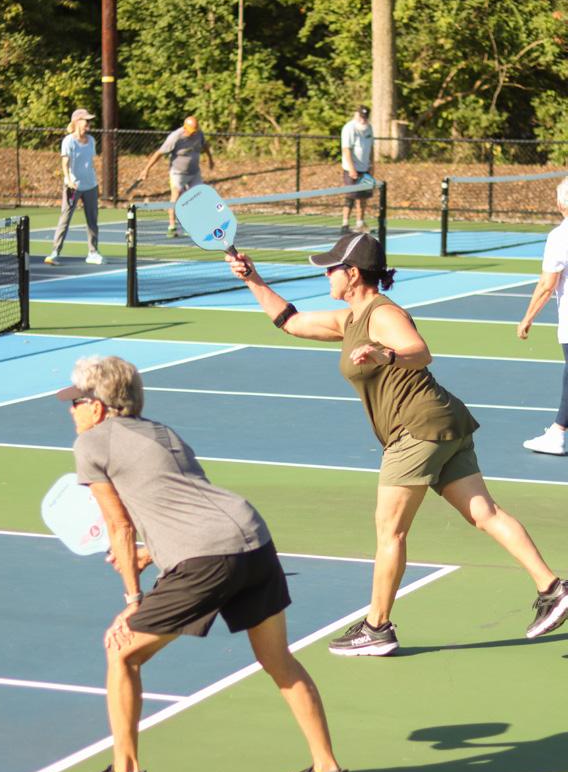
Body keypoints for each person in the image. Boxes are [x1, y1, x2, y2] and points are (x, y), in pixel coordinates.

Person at [226, 232, 568, 658]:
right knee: (485, 513)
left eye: (332, 268)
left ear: (353, 274)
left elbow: (419, 352)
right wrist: (253, 280)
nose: (327, 274)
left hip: (415, 430)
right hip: (442, 422)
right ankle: (553, 589)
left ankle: (377, 626)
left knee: (391, 531)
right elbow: (290, 322)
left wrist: (386, 355)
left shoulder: (383, 314)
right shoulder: (350, 319)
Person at [57, 355, 355, 772]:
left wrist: (133, 599)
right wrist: (150, 554)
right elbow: (193, 503)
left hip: (208, 559)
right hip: (253, 540)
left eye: (76, 402)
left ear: (96, 406)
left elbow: (119, 525)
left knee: (122, 652)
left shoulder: (91, 444)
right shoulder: (162, 431)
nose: (71, 410)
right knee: (278, 659)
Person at [517, 176, 568, 456]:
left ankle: (557, 433)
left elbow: (547, 284)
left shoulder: (560, 237)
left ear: (560, 204)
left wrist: (527, 318)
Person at [44, 108, 105, 266]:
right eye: (86, 120)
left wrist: (95, 183)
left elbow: (90, 163)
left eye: (89, 120)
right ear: (77, 122)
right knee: (65, 218)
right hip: (72, 187)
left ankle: (93, 253)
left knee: (92, 220)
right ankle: (55, 253)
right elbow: (65, 164)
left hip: (90, 186)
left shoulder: (91, 140)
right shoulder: (68, 141)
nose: (89, 123)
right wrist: (69, 180)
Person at [138, 115, 215, 238]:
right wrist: (146, 169)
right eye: (191, 131)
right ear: (185, 128)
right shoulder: (175, 137)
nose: (193, 133)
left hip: (194, 172)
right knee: (176, 196)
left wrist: (210, 159)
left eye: (195, 131)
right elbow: (159, 153)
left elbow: (204, 145)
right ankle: (172, 226)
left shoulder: (199, 134)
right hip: (178, 172)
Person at [340, 106, 374, 234]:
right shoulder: (349, 128)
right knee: (350, 197)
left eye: (365, 117)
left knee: (363, 198)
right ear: (356, 115)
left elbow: (371, 148)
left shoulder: (369, 128)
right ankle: (345, 224)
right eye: (361, 116)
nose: (363, 119)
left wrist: (371, 165)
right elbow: (346, 150)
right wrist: (351, 169)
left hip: (365, 169)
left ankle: (360, 223)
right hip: (351, 169)